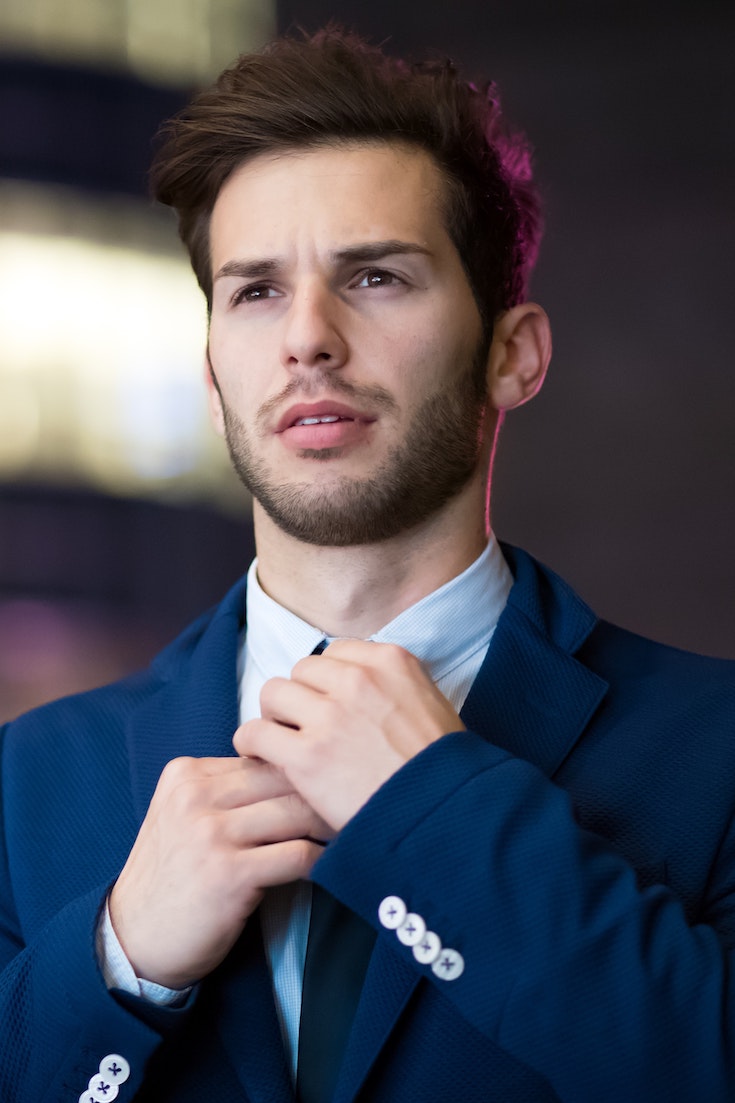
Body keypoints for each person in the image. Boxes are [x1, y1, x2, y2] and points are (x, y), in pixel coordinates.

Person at [1, 27, 734, 1103]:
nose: (308, 337)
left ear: (512, 353)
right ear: (213, 377)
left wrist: (439, 815)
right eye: (255, 291)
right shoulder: (25, 785)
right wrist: (118, 964)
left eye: (376, 277)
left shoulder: (717, 753)